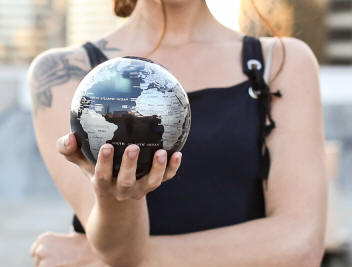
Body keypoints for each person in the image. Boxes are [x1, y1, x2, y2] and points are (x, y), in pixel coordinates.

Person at [29, 0, 327, 266]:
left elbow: (300, 246)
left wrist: (95, 259)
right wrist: (117, 208)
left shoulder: (280, 62)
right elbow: (119, 251)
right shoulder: (62, 73)